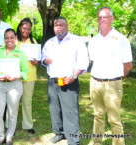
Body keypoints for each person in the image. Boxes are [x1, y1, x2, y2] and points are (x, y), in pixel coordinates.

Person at [88, 7, 133, 145]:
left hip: (112, 84)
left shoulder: (120, 39)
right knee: (98, 116)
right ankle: (97, 142)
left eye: (105, 17)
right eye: (99, 17)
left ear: (112, 19)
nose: (102, 20)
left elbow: (128, 65)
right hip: (95, 83)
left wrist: (117, 78)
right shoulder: (93, 40)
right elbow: (93, 61)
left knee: (114, 120)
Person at [41, 17, 89, 145]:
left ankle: (73, 139)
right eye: (56, 25)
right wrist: (45, 61)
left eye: (61, 25)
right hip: (53, 81)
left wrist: (74, 76)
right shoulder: (50, 42)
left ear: (67, 26)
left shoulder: (76, 41)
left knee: (70, 110)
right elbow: (43, 57)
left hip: (69, 80)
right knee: (54, 109)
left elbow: (83, 61)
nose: (58, 27)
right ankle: (59, 133)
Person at [0, 28, 29, 145]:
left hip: (15, 86)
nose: (9, 40)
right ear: (4, 39)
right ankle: (0, 137)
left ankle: (9, 138)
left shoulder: (20, 53)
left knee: (12, 113)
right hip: (0, 85)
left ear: (15, 38)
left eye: (12, 37)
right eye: (6, 38)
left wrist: (16, 76)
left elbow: (25, 72)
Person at [16, 17, 39, 134]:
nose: (26, 31)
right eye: (24, 28)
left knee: (27, 101)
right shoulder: (14, 40)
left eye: (29, 29)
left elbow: (37, 59)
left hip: (30, 75)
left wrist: (36, 62)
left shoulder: (33, 41)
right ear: (20, 27)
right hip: (15, 75)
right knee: (13, 102)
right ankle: (10, 125)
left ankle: (28, 125)